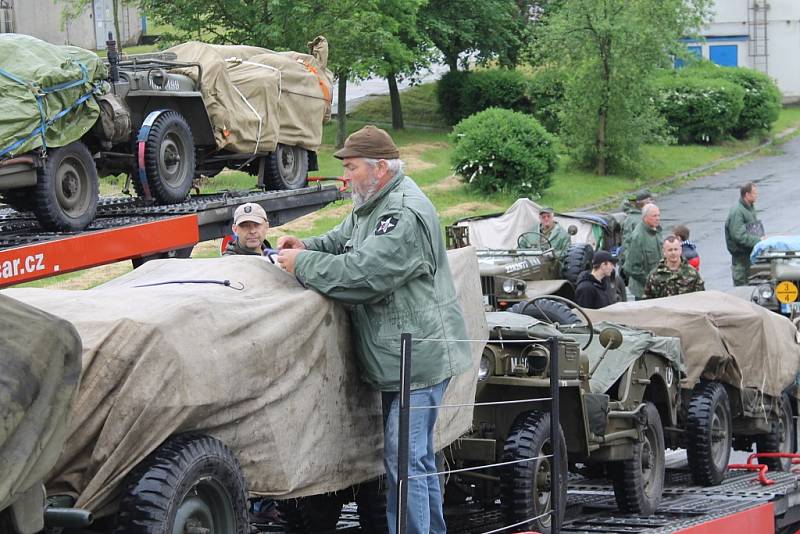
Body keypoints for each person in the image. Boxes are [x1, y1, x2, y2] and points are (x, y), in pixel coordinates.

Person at [275, 125, 471, 534]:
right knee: (416, 458)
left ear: (380, 168)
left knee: (406, 457)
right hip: (401, 355)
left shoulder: (401, 214)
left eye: (351, 168)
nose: (344, 177)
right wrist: (307, 246)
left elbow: (365, 275)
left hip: (417, 359)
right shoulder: (374, 203)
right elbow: (342, 239)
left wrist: (303, 266)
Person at [724, 182, 765, 286]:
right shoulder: (737, 212)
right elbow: (739, 236)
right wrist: (759, 241)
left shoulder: (749, 208)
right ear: (747, 195)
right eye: (754, 193)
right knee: (743, 291)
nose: (757, 195)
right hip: (742, 262)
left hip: (750, 258)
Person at [622, 203, 663, 299]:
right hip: (644, 291)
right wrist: (649, 281)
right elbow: (631, 267)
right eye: (654, 216)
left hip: (658, 287)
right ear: (645, 217)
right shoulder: (638, 237)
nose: (658, 218)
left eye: (658, 215)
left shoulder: (657, 230)